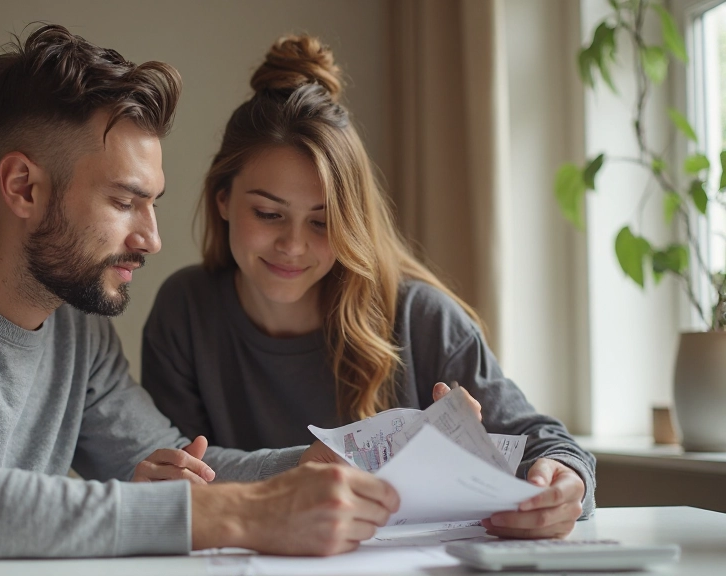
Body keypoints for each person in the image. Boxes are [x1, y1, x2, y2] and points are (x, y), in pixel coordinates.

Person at [0, 25, 402, 576]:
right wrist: (237, 515)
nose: (150, 237)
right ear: (24, 188)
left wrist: (347, 454)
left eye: (152, 204)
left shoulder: (75, 330)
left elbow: (182, 465)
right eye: (124, 201)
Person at [141, 34, 597, 540]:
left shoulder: (418, 317)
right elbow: (176, 468)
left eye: (322, 221)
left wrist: (564, 481)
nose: (293, 246)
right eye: (269, 214)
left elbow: (545, 443)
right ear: (222, 200)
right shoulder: (185, 310)